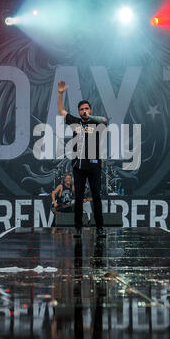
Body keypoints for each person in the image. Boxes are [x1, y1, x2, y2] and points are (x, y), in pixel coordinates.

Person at [57, 80, 107, 237]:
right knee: (78, 197)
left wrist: (89, 116)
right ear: (78, 112)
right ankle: (78, 227)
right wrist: (60, 94)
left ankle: (100, 227)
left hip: (94, 165)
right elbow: (62, 111)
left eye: (86, 108)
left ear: (90, 110)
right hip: (79, 165)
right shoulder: (75, 122)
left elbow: (105, 120)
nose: (84, 111)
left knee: (96, 196)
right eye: (81, 109)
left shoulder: (96, 122)